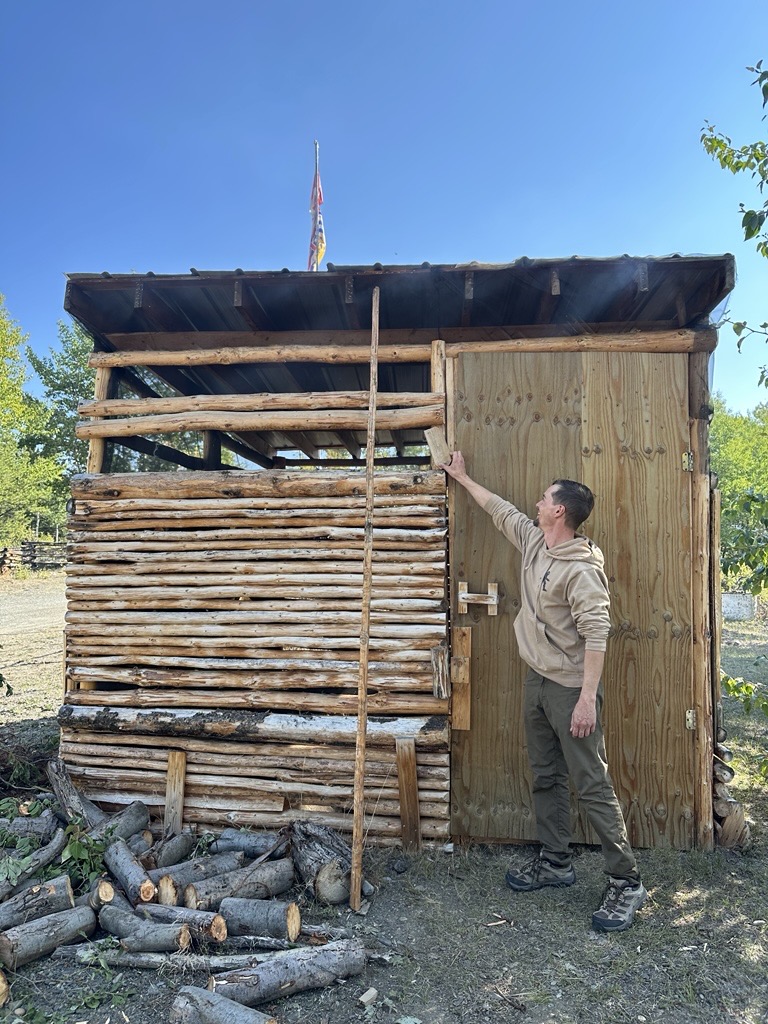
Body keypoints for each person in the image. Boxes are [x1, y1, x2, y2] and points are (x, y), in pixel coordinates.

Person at [441, 450, 647, 932]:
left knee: (592, 782)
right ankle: (556, 862)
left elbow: (597, 634)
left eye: (544, 498)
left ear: (560, 511)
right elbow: (500, 510)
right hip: (537, 680)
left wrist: (584, 700)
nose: (535, 502)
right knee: (545, 774)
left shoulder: (581, 571)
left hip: (571, 689)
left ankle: (626, 880)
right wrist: (464, 477)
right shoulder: (536, 543)